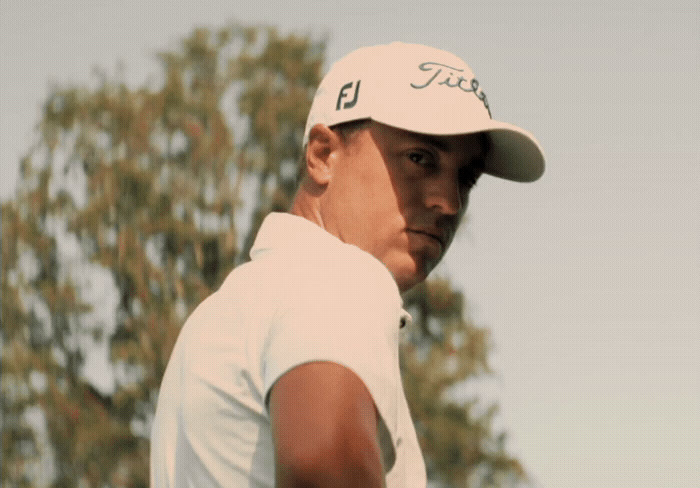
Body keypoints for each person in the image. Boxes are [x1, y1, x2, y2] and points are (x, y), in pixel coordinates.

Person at [150, 42, 545, 488]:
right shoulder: (340, 276)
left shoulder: (219, 315)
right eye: (420, 158)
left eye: (465, 178)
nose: (449, 201)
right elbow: (321, 465)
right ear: (322, 154)